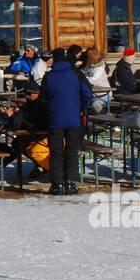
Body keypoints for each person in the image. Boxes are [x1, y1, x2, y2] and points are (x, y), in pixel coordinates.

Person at [41, 47, 92, 195]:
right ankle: (71, 182)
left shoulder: (49, 76)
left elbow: (43, 98)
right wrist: (82, 108)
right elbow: (87, 94)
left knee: (56, 152)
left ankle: (57, 184)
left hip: (55, 119)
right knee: (71, 151)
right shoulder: (75, 74)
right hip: (73, 119)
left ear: (54, 60)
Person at [82, 47, 111, 111]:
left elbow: (93, 80)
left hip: (103, 94)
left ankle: (101, 117)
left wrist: (82, 78)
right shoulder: (89, 67)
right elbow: (83, 73)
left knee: (95, 104)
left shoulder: (100, 68)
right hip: (94, 93)